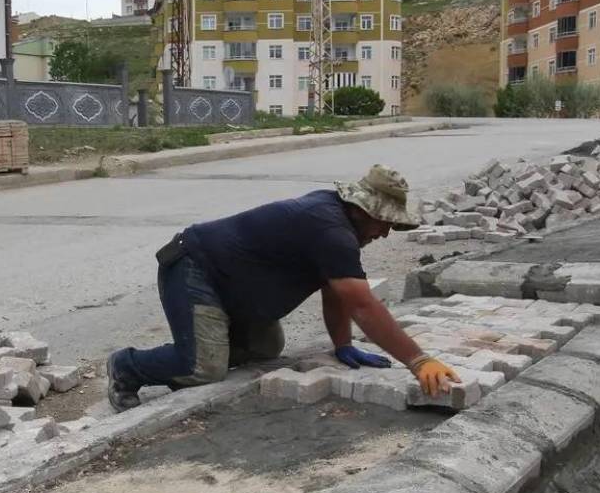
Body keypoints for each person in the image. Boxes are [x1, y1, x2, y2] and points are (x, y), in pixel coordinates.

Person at [105, 164, 460, 411]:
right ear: (363, 209)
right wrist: (418, 360)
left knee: (267, 346)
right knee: (205, 369)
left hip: (232, 287)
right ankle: (127, 366)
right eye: (384, 222)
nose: (384, 233)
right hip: (195, 269)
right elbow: (364, 305)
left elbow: (336, 291)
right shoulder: (330, 229)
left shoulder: (338, 224)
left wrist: (343, 345)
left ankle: (198, 349)